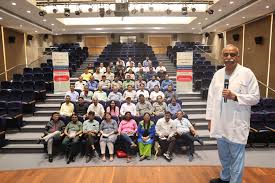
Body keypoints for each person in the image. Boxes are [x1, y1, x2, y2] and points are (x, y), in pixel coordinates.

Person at [206, 44, 260, 183]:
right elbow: (211, 98)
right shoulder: (218, 74)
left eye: (232, 54)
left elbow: (255, 97)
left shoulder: (247, 73)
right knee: (224, 156)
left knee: (236, 157)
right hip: (219, 123)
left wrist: (235, 96)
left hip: (236, 124)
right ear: (222, 57)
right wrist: (210, 119)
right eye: (226, 55)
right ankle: (225, 178)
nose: (229, 57)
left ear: (237, 56)